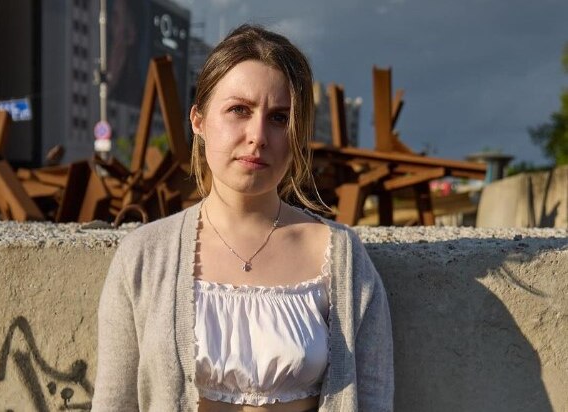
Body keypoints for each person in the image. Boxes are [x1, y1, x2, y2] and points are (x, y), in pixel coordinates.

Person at [93, 24, 393, 412]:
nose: (258, 136)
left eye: (279, 118)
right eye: (239, 110)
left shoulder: (342, 258)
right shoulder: (144, 257)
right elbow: (114, 404)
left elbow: (372, 399)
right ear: (198, 121)